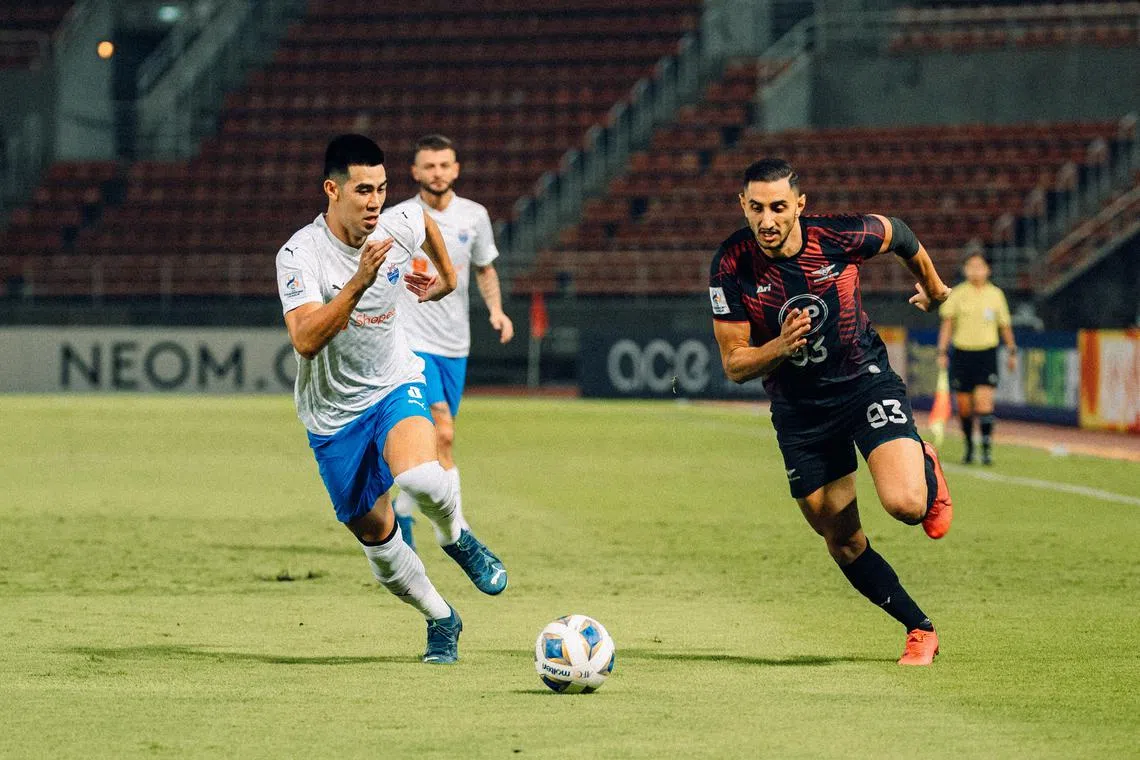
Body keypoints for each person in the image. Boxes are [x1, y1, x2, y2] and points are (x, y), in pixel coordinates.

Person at [709, 158, 954, 666]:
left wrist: (933, 289)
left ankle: (923, 464)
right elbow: (734, 364)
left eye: (779, 207)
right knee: (841, 540)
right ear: (743, 206)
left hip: (863, 383)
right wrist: (779, 347)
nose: (768, 220)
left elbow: (901, 234)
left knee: (907, 505)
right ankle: (919, 628)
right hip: (800, 412)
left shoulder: (839, 237)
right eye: (757, 208)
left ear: (800, 205)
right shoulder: (731, 263)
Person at [274, 134, 508, 665]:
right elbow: (305, 339)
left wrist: (448, 278)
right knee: (378, 541)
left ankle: (457, 536)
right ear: (332, 190)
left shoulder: (397, 223)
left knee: (421, 475)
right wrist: (358, 282)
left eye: (381, 189)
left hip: (394, 383)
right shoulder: (299, 254)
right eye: (363, 190)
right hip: (332, 415)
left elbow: (423, 222)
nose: (376, 201)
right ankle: (442, 618)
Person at [389, 134, 514, 550]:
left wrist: (497, 311)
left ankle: (402, 508)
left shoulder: (474, 216)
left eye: (444, 165)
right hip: (410, 341)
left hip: (455, 344)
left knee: (435, 440)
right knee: (441, 431)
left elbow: (484, 269)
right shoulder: (399, 218)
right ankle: (457, 529)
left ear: (456, 169)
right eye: (429, 166)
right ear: (415, 172)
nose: (437, 173)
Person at [936, 252, 1017, 465]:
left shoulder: (996, 294)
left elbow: (1005, 325)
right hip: (962, 354)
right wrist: (942, 352)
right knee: (964, 406)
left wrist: (1012, 351)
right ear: (965, 270)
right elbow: (947, 325)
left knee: (984, 403)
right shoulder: (957, 294)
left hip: (986, 354)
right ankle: (969, 447)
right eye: (971, 266)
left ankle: (987, 449)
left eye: (979, 266)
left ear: (987, 270)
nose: (975, 271)